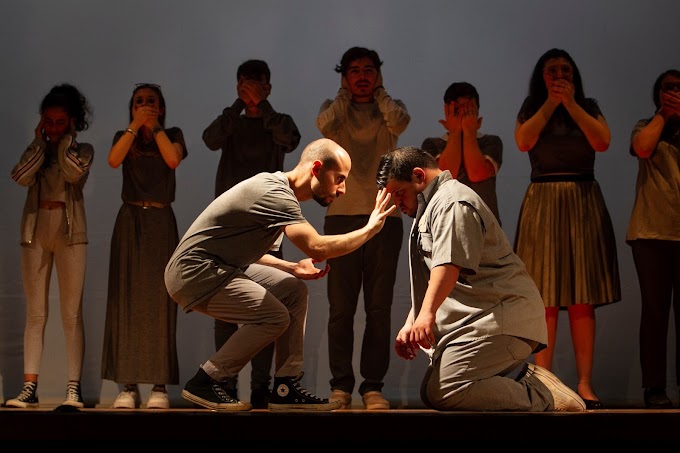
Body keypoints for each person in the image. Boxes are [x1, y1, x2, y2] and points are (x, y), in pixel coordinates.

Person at [164, 138, 395, 412]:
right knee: (274, 316)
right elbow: (318, 248)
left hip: (219, 266)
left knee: (292, 289)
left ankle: (286, 387)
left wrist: (292, 268)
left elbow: (254, 252)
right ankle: (207, 380)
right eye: (339, 179)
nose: (342, 189)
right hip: (194, 272)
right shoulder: (275, 194)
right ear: (317, 168)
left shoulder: (279, 192)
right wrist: (369, 229)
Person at [376, 145, 585, 412]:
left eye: (399, 193)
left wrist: (426, 315)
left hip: (502, 318)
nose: (397, 204)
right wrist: (414, 320)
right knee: (433, 390)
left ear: (418, 176)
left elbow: (448, 265)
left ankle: (543, 394)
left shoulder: (451, 201)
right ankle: (526, 379)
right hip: (480, 322)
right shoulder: (431, 206)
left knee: (446, 389)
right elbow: (432, 278)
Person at [514, 48, 621, 410]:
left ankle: (585, 384)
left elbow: (602, 141)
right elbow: (523, 141)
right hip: (543, 199)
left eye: (565, 69)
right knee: (544, 297)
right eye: (551, 70)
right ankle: (547, 385)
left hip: (583, 198)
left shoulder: (587, 105)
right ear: (540, 76)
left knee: (581, 297)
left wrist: (571, 104)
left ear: (574, 74)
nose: (559, 74)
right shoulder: (532, 106)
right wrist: (550, 103)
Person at [202, 59, 301, 408]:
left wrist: (263, 106)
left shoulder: (279, 122)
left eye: (256, 84)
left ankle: (261, 387)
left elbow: (291, 139)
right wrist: (239, 105)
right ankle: (222, 382)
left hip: (267, 225)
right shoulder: (230, 122)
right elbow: (209, 139)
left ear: (268, 87)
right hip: (229, 227)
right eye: (243, 83)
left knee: (267, 305)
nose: (249, 90)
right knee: (225, 306)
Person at [316, 46, 410, 410]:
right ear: (344, 77)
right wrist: (342, 94)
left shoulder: (389, 109)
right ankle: (340, 387)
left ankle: (373, 387)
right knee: (340, 309)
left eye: (369, 70)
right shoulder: (336, 110)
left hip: (384, 216)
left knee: (379, 308)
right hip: (340, 217)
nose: (362, 77)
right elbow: (324, 127)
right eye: (353, 71)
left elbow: (401, 123)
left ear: (379, 75)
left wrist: (382, 93)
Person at [8, 83, 94, 409]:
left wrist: (65, 140)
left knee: (71, 314)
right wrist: (38, 141)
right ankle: (29, 387)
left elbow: (73, 174)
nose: (53, 127)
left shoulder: (81, 150)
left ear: (72, 121)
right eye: (48, 121)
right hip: (35, 231)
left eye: (60, 121)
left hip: (71, 234)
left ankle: (74, 389)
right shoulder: (38, 151)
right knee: (35, 313)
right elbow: (20, 176)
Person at [101, 83, 187, 409]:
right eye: (139, 102)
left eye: (151, 101)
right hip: (131, 219)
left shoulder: (173, 133)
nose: (146, 105)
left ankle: (159, 386)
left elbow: (173, 160)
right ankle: (128, 385)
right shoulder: (125, 135)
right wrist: (136, 126)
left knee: (160, 299)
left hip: (161, 221)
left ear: (162, 107)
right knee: (127, 299)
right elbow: (113, 160)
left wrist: (156, 127)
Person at [627, 69, 680, 409]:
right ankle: (654, 388)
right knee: (655, 312)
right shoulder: (646, 125)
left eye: (678, 87)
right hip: (651, 233)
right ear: (657, 93)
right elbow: (643, 148)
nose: (673, 92)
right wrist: (664, 115)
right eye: (667, 88)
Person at [421, 81, 503, 224]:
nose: (463, 116)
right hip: (446, 224)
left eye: (468, 110)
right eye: (457, 111)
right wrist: (455, 132)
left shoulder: (491, 141)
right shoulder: (432, 144)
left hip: (485, 227)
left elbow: (477, 173)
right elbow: (446, 174)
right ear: (447, 112)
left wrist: (469, 132)